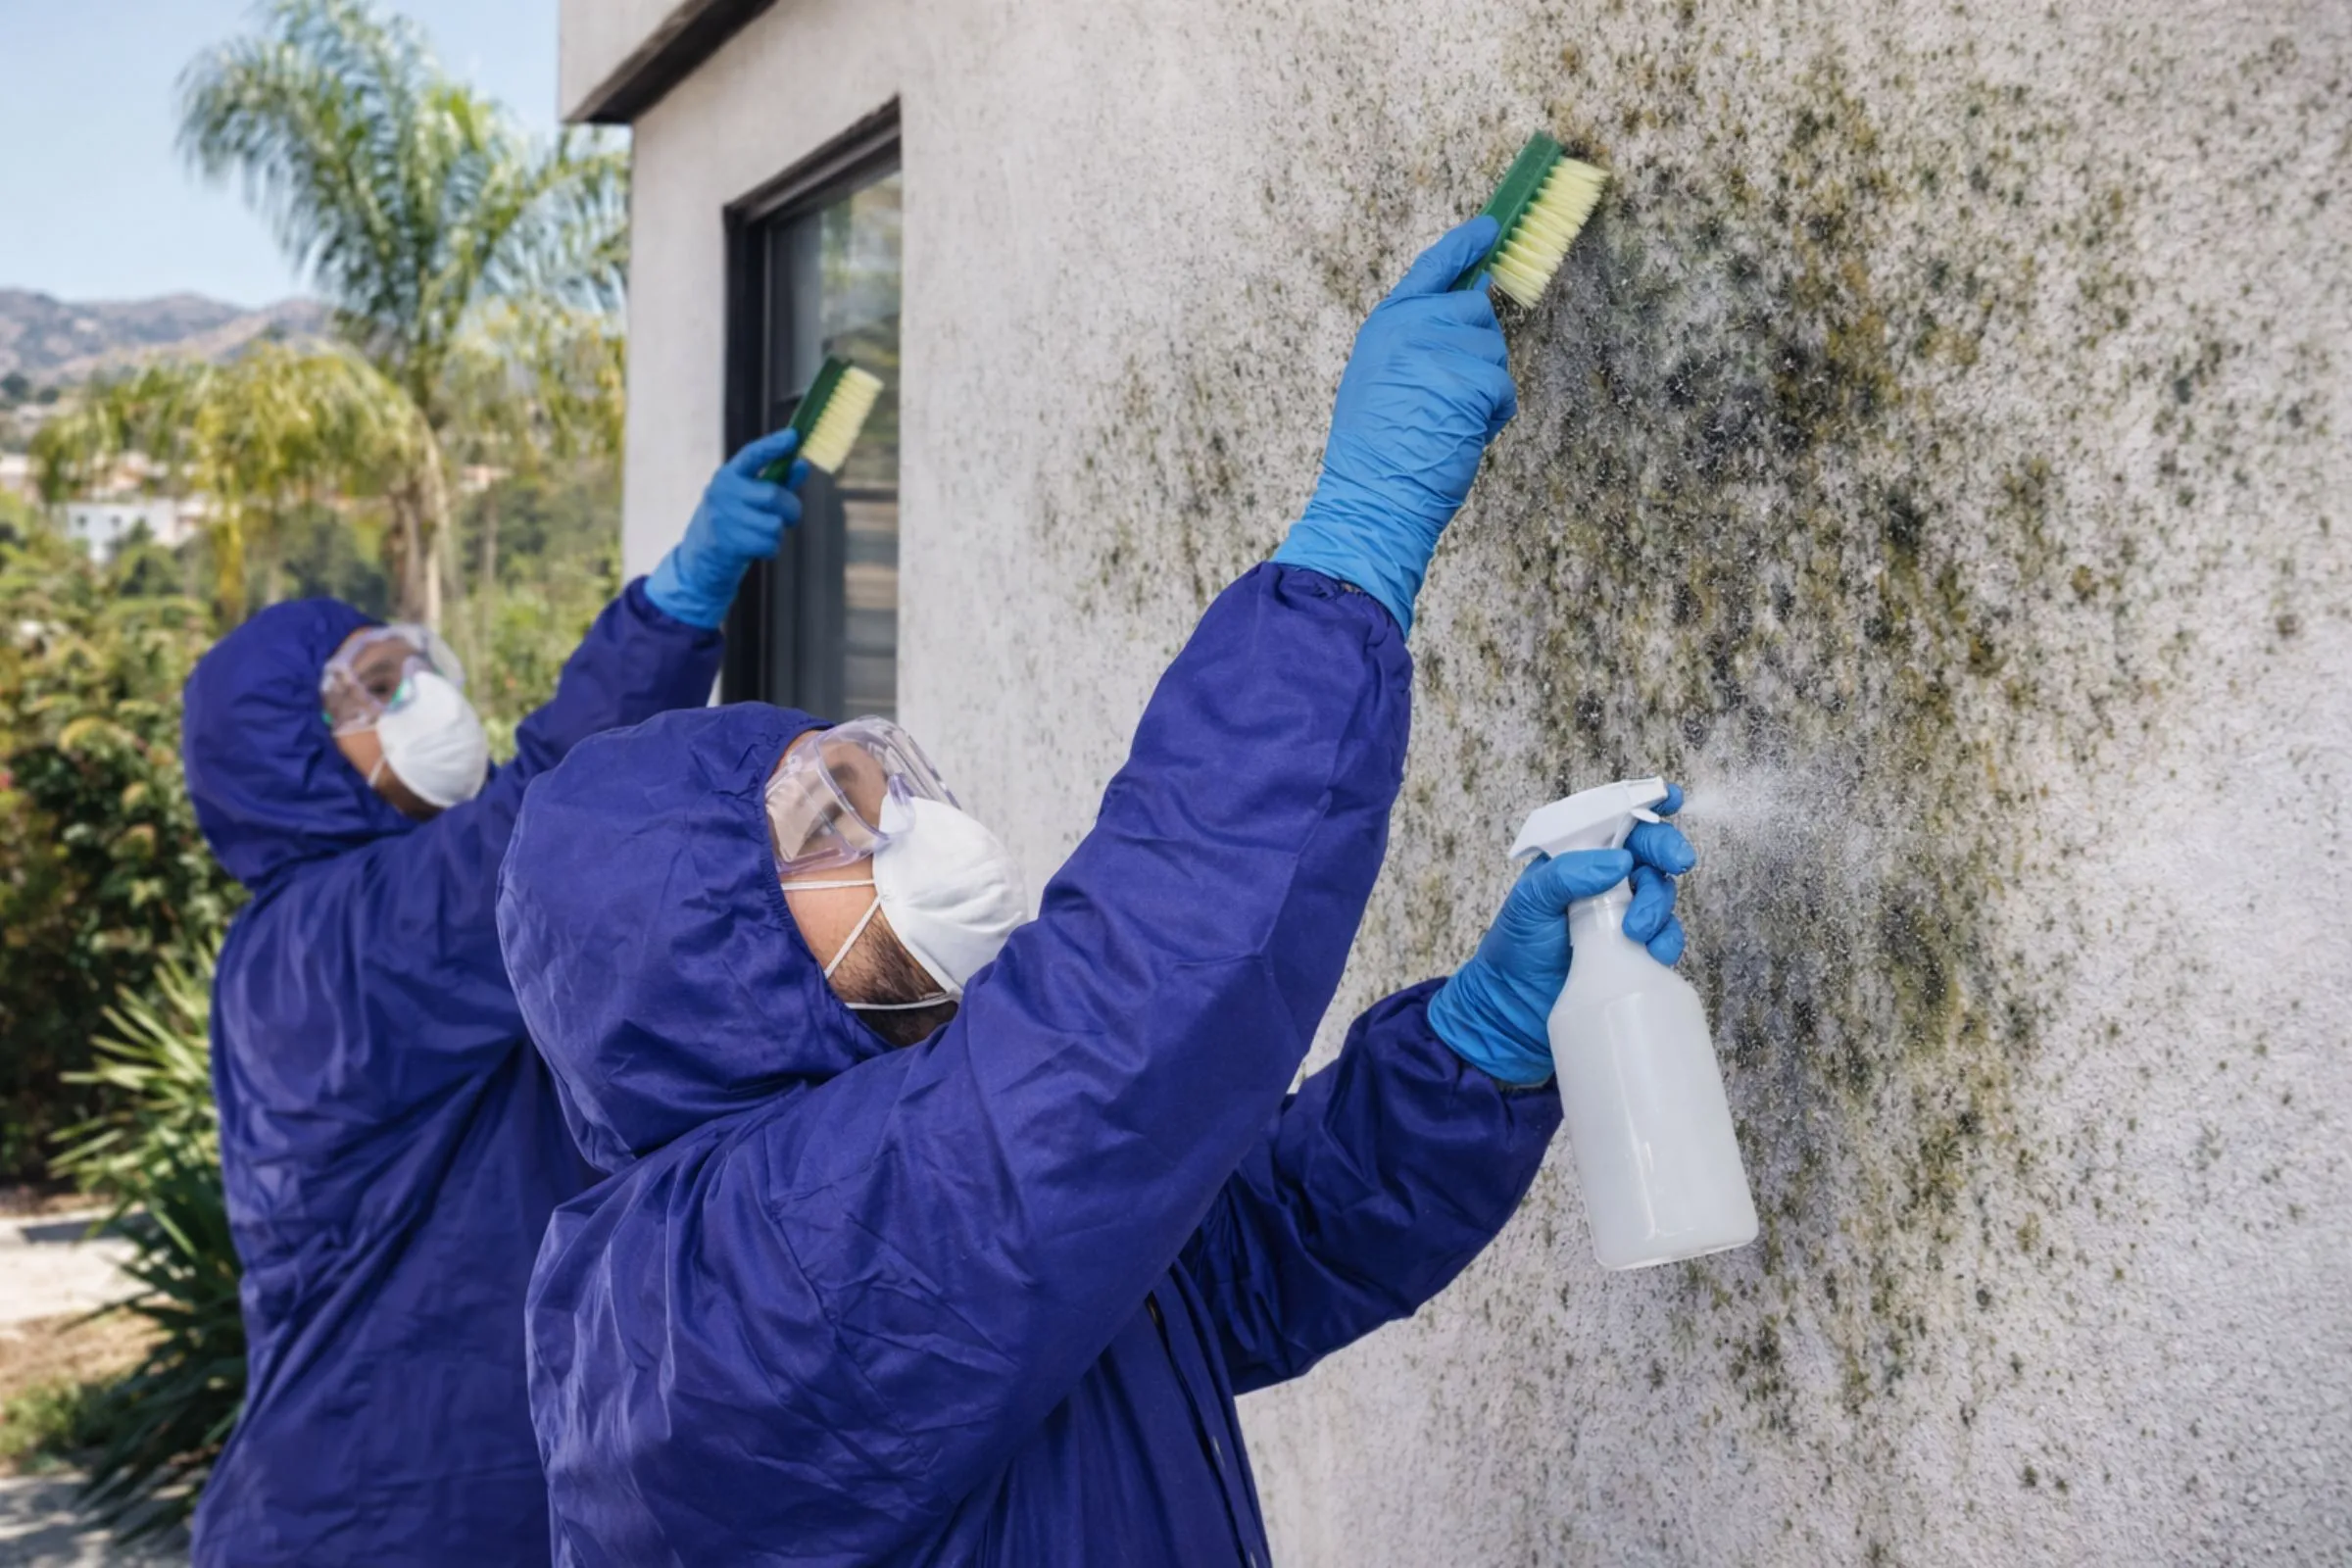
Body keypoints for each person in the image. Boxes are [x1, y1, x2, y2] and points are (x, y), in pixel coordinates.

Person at [498, 218, 1696, 1566]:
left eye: (880, 774)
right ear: (706, 952)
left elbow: (1239, 1261)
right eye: (838, 819)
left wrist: (1472, 1056)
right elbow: (1132, 1009)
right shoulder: (724, 1291)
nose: (914, 823)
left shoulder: (896, 1176)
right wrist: (1351, 548)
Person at [178, 427, 815, 1565]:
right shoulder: (335, 945)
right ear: (295, 750)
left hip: (403, 1492)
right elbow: (543, 823)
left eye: (410, 665)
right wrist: (678, 599)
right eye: (377, 688)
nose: (420, 695)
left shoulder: (325, 935)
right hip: (377, 1511)